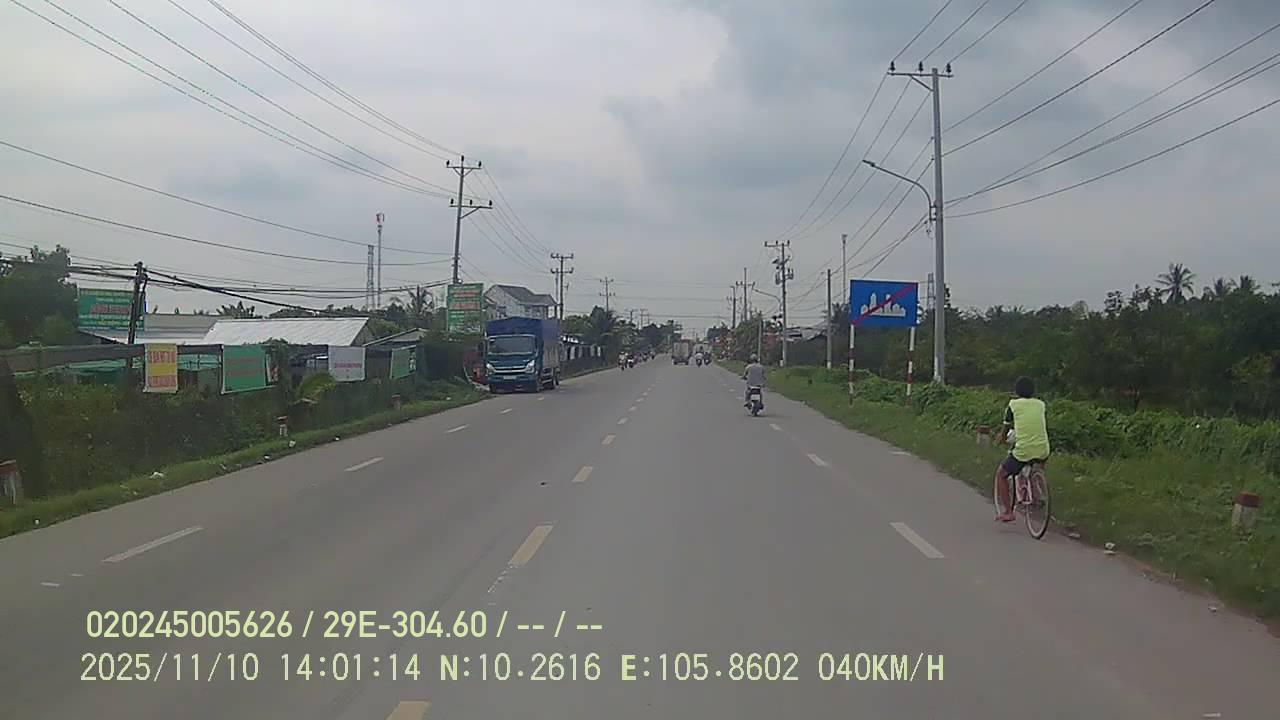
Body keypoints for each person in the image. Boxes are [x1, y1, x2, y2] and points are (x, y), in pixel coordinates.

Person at [994, 376, 1051, 522]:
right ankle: (1037, 490)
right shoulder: (1040, 404)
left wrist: (1001, 439)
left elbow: (1005, 429)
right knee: (1035, 467)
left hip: (1024, 450)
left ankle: (1008, 512)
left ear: (1016, 391)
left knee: (1001, 475)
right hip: (1043, 448)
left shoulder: (1013, 405)